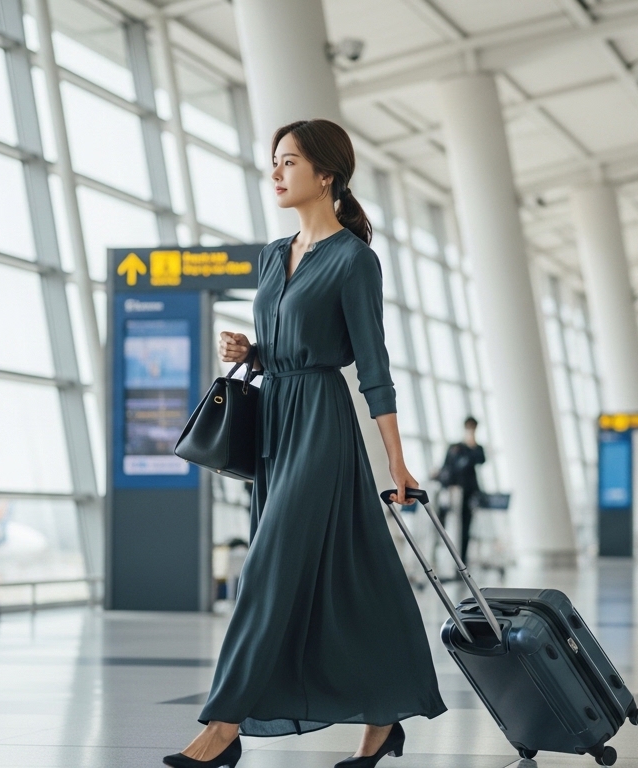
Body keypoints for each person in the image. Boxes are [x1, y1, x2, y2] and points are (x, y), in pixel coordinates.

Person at [167, 119, 444, 768]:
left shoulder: (354, 261)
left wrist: (397, 459)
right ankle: (384, 719)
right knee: (355, 580)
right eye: (274, 161)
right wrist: (252, 351)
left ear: (327, 175)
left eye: (289, 161)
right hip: (274, 423)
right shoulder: (272, 254)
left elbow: (371, 368)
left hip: (321, 425)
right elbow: (286, 339)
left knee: (262, 574)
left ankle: (223, 728)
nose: (276, 172)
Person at [437, 416, 487, 563]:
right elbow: (446, 467)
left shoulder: (476, 448)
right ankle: (444, 556)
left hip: (469, 492)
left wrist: (472, 445)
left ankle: (462, 560)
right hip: (452, 492)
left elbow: (481, 460)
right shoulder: (455, 447)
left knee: (465, 526)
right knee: (445, 522)